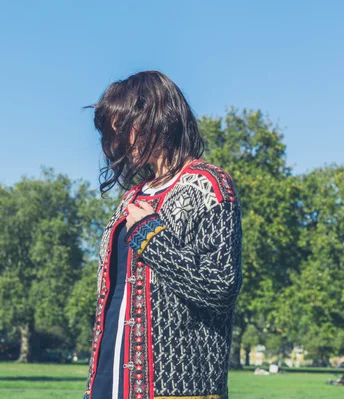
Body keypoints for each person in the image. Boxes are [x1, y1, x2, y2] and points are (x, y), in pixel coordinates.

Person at [84, 71, 243, 399]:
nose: (120, 143)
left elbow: (220, 289)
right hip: (111, 382)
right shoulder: (131, 197)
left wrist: (151, 237)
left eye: (124, 128)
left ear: (154, 119)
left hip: (177, 389)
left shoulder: (210, 185)